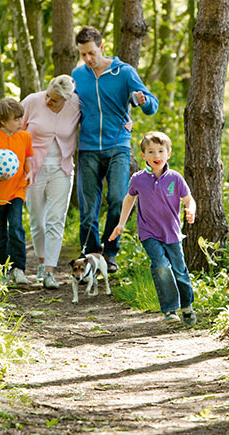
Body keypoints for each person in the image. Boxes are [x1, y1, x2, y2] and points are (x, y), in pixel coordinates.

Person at [72, 25, 159, 273]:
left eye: (91, 53)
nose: (88, 59)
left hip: (117, 146)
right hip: (88, 147)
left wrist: (144, 101)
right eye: (83, 54)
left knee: (118, 199)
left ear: (101, 47)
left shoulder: (124, 72)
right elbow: (70, 109)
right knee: (88, 207)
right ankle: (89, 253)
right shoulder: (78, 75)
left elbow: (152, 104)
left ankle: (110, 253)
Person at [109, 131, 197, 325]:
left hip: (172, 233)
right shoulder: (138, 179)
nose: (156, 156)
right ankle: (170, 310)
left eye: (160, 151)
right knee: (161, 266)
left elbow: (189, 200)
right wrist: (121, 224)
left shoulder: (175, 178)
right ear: (143, 155)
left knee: (180, 270)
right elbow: (129, 198)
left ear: (168, 153)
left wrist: (190, 210)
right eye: (151, 152)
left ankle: (187, 306)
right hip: (149, 232)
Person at [21, 75, 80, 289]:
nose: (48, 101)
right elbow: (15, 130)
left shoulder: (76, 106)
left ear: (66, 100)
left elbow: (100, 115)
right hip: (33, 169)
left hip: (62, 169)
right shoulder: (31, 102)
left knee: (56, 220)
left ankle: (49, 271)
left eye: (54, 100)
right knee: (38, 220)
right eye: (48, 95)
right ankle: (41, 260)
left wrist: (126, 119)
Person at [0, 97, 34, 285]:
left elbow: (27, 157)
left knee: (16, 227)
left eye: (21, 118)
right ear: (3, 121)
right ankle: (0, 271)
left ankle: (18, 268)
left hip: (16, 191)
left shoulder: (25, 137)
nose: (20, 122)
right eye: (16, 119)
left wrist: (30, 173)